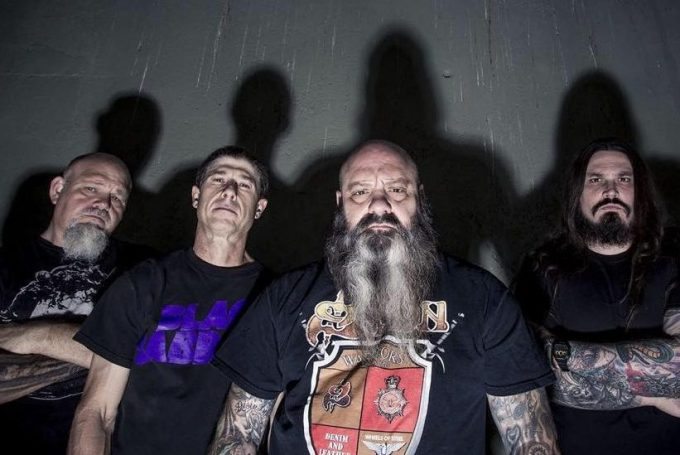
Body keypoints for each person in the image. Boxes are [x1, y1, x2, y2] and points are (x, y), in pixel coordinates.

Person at [209, 140, 559, 454]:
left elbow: (531, 442)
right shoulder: (283, 298)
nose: (379, 205)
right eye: (360, 192)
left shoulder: (484, 301)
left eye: (396, 190)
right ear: (340, 204)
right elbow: (237, 436)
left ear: (420, 199)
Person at [68, 146, 272, 455]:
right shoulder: (143, 282)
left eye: (244, 184)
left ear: (259, 208)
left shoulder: (274, 295)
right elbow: (97, 411)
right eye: (218, 179)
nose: (229, 191)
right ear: (195, 196)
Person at [513, 138, 680, 455]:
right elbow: (526, 375)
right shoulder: (543, 268)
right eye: (596, 179)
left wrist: (566, 359)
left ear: (641, 192)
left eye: (624, 179)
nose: (610, 190)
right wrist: (654, 391)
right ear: (577, 194)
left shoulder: (674, 256)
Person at [0, 152, 147, 453]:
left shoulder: (145, 268)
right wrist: (111, 356)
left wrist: (36, 336)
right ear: (57, 190)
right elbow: (136, 356)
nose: (104, 204)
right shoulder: (5, 265)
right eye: (91, 188)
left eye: (118, 198)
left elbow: (160, 356)